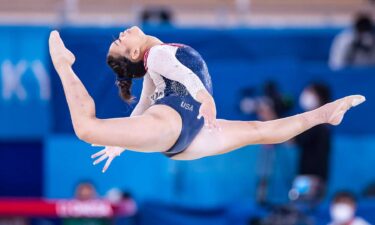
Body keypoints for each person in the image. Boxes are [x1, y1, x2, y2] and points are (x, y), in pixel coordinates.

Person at [48, 26, 366, 173]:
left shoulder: (151, 66)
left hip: (185, 132)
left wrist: (121, 143)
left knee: (260, 131)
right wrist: (205, 98)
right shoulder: (157, 54)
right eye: (121, 41)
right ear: (134, 52)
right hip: (184, 121)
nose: (122, 33)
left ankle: (325, 114)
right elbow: (184, 76)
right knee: (86, 129)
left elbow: (144, 107)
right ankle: (65, 66)